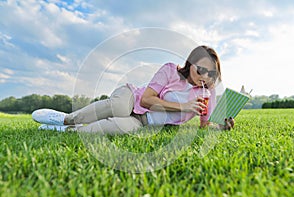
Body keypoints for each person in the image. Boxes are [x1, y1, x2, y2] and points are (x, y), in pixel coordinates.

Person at [32, 45, 234, 134]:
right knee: (119, 107)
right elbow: (146, 100)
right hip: (131, 97)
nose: (205, 76)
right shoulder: (170, 70)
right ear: (190, 64)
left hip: (143, 120)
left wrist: (222, 126)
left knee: (116, 129)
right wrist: (183, 106)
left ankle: (66, 130)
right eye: (201, 69)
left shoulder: (208, 94)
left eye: (212, 73)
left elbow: (204, 125)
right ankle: (66, 118)